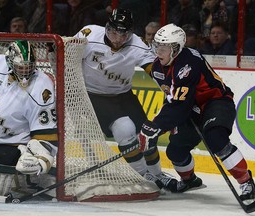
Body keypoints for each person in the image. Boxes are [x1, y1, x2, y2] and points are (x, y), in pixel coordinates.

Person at [138, 23, 255, 200]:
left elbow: (180, 106)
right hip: (190, 109)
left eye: (163, 48)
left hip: (215, 101)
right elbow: (172, 99)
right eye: (157, 46)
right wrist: (155, 125)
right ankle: (190, 180)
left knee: (215, 138)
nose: (158, 52)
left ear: (176, 48)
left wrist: (156, 126)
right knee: (175, 151)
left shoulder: (188, 63)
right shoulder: (158, 67)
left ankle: (247, 182)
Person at [73, 8, 179, 192]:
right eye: (114, 32)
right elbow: (66, 55)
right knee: (125, 129)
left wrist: (169, 89)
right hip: (94, 95)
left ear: (130, 33)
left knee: (147, 135)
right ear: (107, 27)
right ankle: (141, 175)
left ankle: (157, 174)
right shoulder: (89, 34)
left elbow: (155, 71)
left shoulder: (138, 45)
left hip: (124, 95)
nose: (118, 38)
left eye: (123, 34)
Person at [0, 40, 58, 196]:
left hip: (9, 145)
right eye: (21, 68)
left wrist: (41, 160)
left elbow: (46, 131)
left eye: (29, 68)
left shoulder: (41, 85)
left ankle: (27, 184)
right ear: (9, 63)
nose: (25, 73)